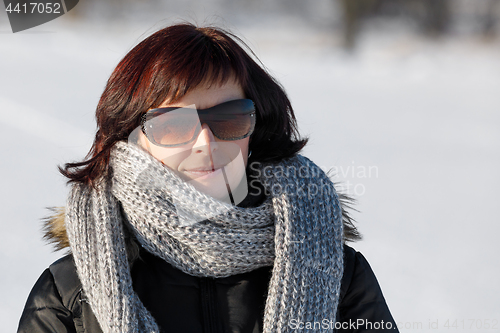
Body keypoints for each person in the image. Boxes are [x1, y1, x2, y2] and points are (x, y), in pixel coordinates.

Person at [18, 23, 399, 333]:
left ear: (255, 128)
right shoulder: (71, 292)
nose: (205, 142)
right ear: (131, 141)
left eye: (229, 118)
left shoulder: (336, 273)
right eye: (173, 124)